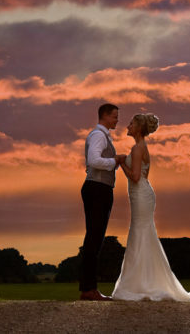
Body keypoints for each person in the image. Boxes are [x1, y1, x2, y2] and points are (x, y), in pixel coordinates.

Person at [111, 113, 190, 302]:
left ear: (138, 128)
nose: (127, 126)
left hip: (141, 195)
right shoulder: (141, 147)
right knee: (143, 233)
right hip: (142, 194)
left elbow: (136, 177)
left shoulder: (137, 148)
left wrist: (122, 163)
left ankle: (139, 284)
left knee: (140, 232)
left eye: (131, 123)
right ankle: (142, 281)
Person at [79, 102, 125, 301]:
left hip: (100, 188)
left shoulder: (103, 136)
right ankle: (89, 289)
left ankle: (89, 288)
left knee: (95, 238)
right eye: (115, 117)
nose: (117, 120)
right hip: (97, 189)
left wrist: (115, 162)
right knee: (94, 238)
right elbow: (93, 161)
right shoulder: (98, 135)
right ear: (105, 116)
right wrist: (115, 160)